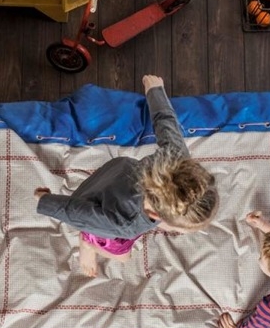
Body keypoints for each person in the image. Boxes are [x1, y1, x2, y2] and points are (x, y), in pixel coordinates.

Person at [34, 75, 219, 277]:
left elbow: (167, 123)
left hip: (114, 173)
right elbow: (77, 213)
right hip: (94, 203)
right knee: (123, 257)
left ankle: (91, 241)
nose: (179, 232)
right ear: (156, 215)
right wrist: (44, 200)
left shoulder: (176, 159)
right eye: (179, 230)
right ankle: (88, 245)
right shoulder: (125, 225)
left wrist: (155, 90)